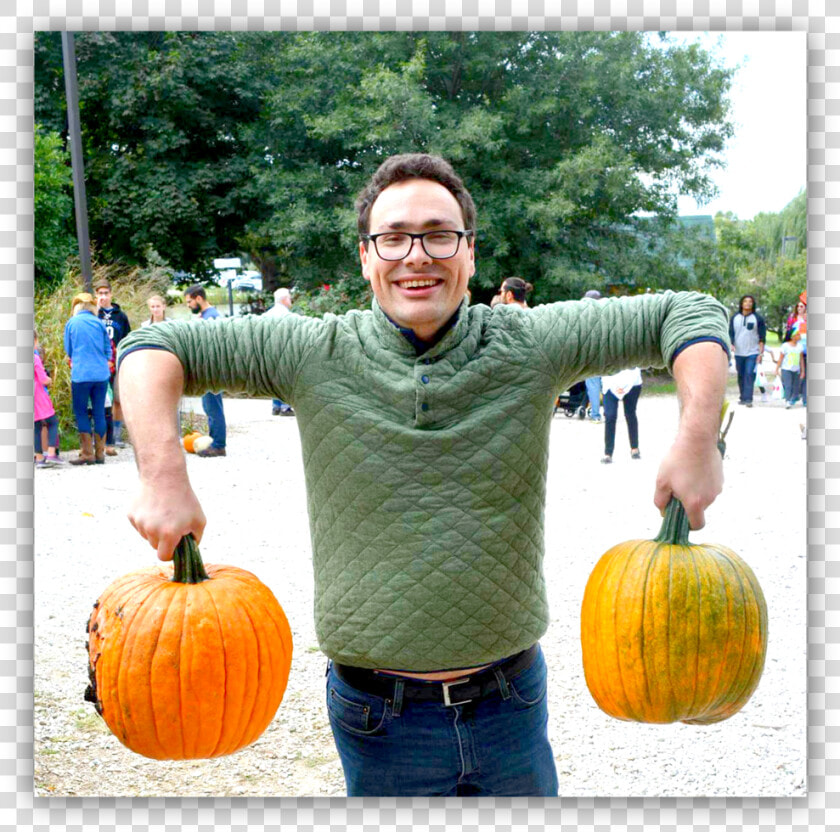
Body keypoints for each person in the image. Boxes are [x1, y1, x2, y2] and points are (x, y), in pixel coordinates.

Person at [116, 153, 730, 797]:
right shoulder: (309, 351)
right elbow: (152, 348)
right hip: (378, 716)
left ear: (468, 253)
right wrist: (163, 474)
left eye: (439, 234)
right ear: (365, 256)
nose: (417, 255)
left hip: (510, 703)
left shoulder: (532, 342)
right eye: (393, 237)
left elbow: (687, 313)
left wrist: (696, 440)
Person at [64, 293, 111, 465]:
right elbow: (108, 349)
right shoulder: (99, 323)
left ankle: (87, 454)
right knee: (99, 411)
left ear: (76, 307)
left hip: (82, 374)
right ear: (92, 307)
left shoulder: (72, 323)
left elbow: (69, 350)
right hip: (101, 374)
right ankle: (100, 454)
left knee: (81, 411)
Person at [183, 285, 227, 457]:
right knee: (210, 405)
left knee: (212, 406)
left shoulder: (210, 317)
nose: (188, 305)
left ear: (198, 298)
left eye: (189, 301)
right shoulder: (210, 315)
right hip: (210, 367)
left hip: (211, 368)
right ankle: (215, 441)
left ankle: (218, 444)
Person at [94, 279, 132, 454]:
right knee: (100, 400)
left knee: (117, 399)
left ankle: (116, 434)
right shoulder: (94, 314)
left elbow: (127, 337)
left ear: (111, 294)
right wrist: (95, 309)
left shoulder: (120, 316)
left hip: (116, 362)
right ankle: (101, 435)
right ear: (96, 295)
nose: (103, 296)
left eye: (105, 293)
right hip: (99, 363)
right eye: (100, 293)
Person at [728, 294, 766, 408]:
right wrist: (731, 344)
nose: (748, 303)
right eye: (745, 301)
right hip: (739, 352)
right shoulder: (735, 318)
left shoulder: (757, 318)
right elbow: (731, 334)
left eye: (750, 301)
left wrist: (760, 353)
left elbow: (762, 337)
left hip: (753, 352)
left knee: (749, 374)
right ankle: (742, 397)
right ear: (741, 303)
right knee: (741, 374)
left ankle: (748, 399)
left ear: (753, 304)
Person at [34, 331, 64, 468]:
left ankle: (39, 458)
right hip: (38, 395)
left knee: (36, 427)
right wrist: (49, 380)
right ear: (34, 340)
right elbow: (42, 379)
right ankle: (51, 453)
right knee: (52, 422)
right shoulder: (35, 358)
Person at [600, 367, 643, 464]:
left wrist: (624, 388)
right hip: (610, 382)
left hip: (632, 382)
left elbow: (635, 366)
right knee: (610, 416)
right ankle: (608, 453)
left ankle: (634, 448)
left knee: (630, 413)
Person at [263, 287, 295, 416]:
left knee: (274, 378)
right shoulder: (287, 316)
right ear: (285, 299)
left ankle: (276, 406)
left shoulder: (267, 315)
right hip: (283, 350)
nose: (291, 299)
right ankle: (285, 407)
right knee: (286, 378)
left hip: (269, 351)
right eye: (289, 297)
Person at [582, 289, 603, 422]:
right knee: (605, 385)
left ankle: (595, 415)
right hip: (607, 353)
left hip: (592, 354)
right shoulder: (605, 313)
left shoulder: (586, 316)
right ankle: (609, 411)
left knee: (593, 385)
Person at [775, 329, 806, 408]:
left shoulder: (800, 346)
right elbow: (781, 358)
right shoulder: (785, 346)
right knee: (788, 385)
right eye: (797, 334)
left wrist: (802, 371)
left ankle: (793, 398)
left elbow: (801, 360)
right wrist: (777, 369)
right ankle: (787, 400)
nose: (799, 336)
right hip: (786, 369)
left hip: (796, 370)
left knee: (795, 386)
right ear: (793, 337)